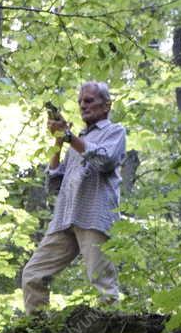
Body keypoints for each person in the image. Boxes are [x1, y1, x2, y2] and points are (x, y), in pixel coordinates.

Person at [20, 82, 127, 313]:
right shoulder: (76, 141)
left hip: (93, 215)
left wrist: (69, 137)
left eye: (89, 101)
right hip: (64, 219)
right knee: (33, 275)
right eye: (80, 102)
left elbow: (105, 161)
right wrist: (59, 141)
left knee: (102, 281)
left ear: (106, 105)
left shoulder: (115, 131)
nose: (83, 106)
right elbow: (54, 182)